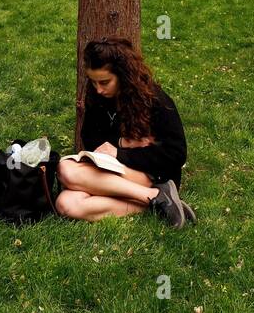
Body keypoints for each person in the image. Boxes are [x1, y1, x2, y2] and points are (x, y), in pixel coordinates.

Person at [55, 38, 192, 228]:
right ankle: (159, 203)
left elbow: (176, 154)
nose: (99, 89)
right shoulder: (97, 95)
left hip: (154, 175)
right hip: (114, 170)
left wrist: (120, 154)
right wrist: (121, 142)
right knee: (66, 204)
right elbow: (90, 137)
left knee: (65, 170)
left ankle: (157, 193)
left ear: (123, 75)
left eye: (104, 82)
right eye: (93, 82)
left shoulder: (155, 101)